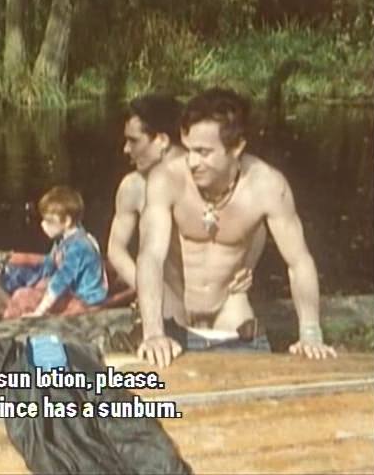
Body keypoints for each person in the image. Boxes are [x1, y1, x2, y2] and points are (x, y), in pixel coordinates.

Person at [135, 87, 338, 367]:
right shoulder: (167, 179)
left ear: (236, 147)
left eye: (204, 152)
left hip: (229, 308)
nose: (192, 162)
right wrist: (153, 333)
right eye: (189, 149)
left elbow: (299, 262)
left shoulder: (267, 186)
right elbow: (150, 256)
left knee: (255, 379)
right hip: (172, 311)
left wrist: (311, 334)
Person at [107, 93, 265, 341]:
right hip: (169, 295)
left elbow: (256, 222)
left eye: (134, 141)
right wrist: (147, 289)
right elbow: (116, 249)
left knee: (242, 344)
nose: (126, 149)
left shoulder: (209, 174)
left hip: (221, 298)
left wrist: (246, 266)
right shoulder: (132, 187)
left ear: (162, 140)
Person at [0, 185, 108, 319]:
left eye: (49, 221)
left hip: (85, 303)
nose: (42, 224)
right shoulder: (63, 241)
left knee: (22, 296)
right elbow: (47, 266)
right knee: (30, 287)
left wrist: (39, 311)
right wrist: (6, 268)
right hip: (71, 296)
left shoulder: (79, 247)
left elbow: (60, 281)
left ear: (67, 221)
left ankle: (6, 326)